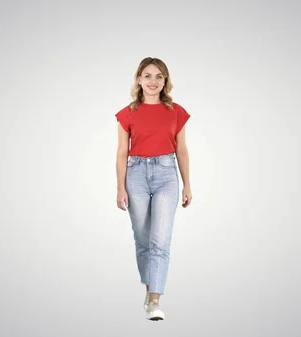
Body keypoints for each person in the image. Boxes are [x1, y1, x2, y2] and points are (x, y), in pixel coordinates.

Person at [115, 57, 192, 321]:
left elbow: (181, 150)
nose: (152, 81)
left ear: (165, 81)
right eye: (147, 76)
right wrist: (119, 188)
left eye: (159, 76)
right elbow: (122, 152)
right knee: (143, 237)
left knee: (160, 238)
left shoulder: (176, 111)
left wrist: (187, 184)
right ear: (138, 80)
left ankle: (155, 299)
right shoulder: (127, 113)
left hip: (166, 175)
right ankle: (149, 289)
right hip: (135, 175)